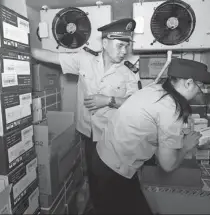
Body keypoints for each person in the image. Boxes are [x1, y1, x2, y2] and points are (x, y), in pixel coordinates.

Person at [31, 18, 140, 212]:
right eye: (121, 45)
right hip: (88, 135)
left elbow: (135, 105)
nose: (125, 51)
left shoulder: (129, 74)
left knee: (113, 182)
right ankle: (99, 208)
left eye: (127, 46)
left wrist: (108, 100)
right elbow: (50, 56)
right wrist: (12, 46)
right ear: (105, 43)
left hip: (112, 138)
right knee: (94, 178)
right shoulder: (84, 60)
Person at [91, 58, 210, 214]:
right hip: (114, 172)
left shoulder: (155, 89)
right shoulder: (171, 109)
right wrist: (185, 146)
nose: (201, 91)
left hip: (101, 157)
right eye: (201, 85)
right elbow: (168, 165)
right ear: (189, 83)